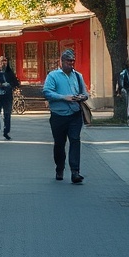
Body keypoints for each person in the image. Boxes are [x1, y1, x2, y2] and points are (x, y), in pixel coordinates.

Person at [42, 49, 89, 184]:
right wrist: (64, 97)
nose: (71, 64)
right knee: (59, 143)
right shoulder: (53, 76)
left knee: (75, 140)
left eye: (72, 61)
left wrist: (82, 97)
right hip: (58, 115)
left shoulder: (78, 76)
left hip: (75, 114)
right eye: (68, 61)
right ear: (61, 61)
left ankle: (75, 172)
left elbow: (85, 93)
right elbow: (47, 92)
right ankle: (60, 168)